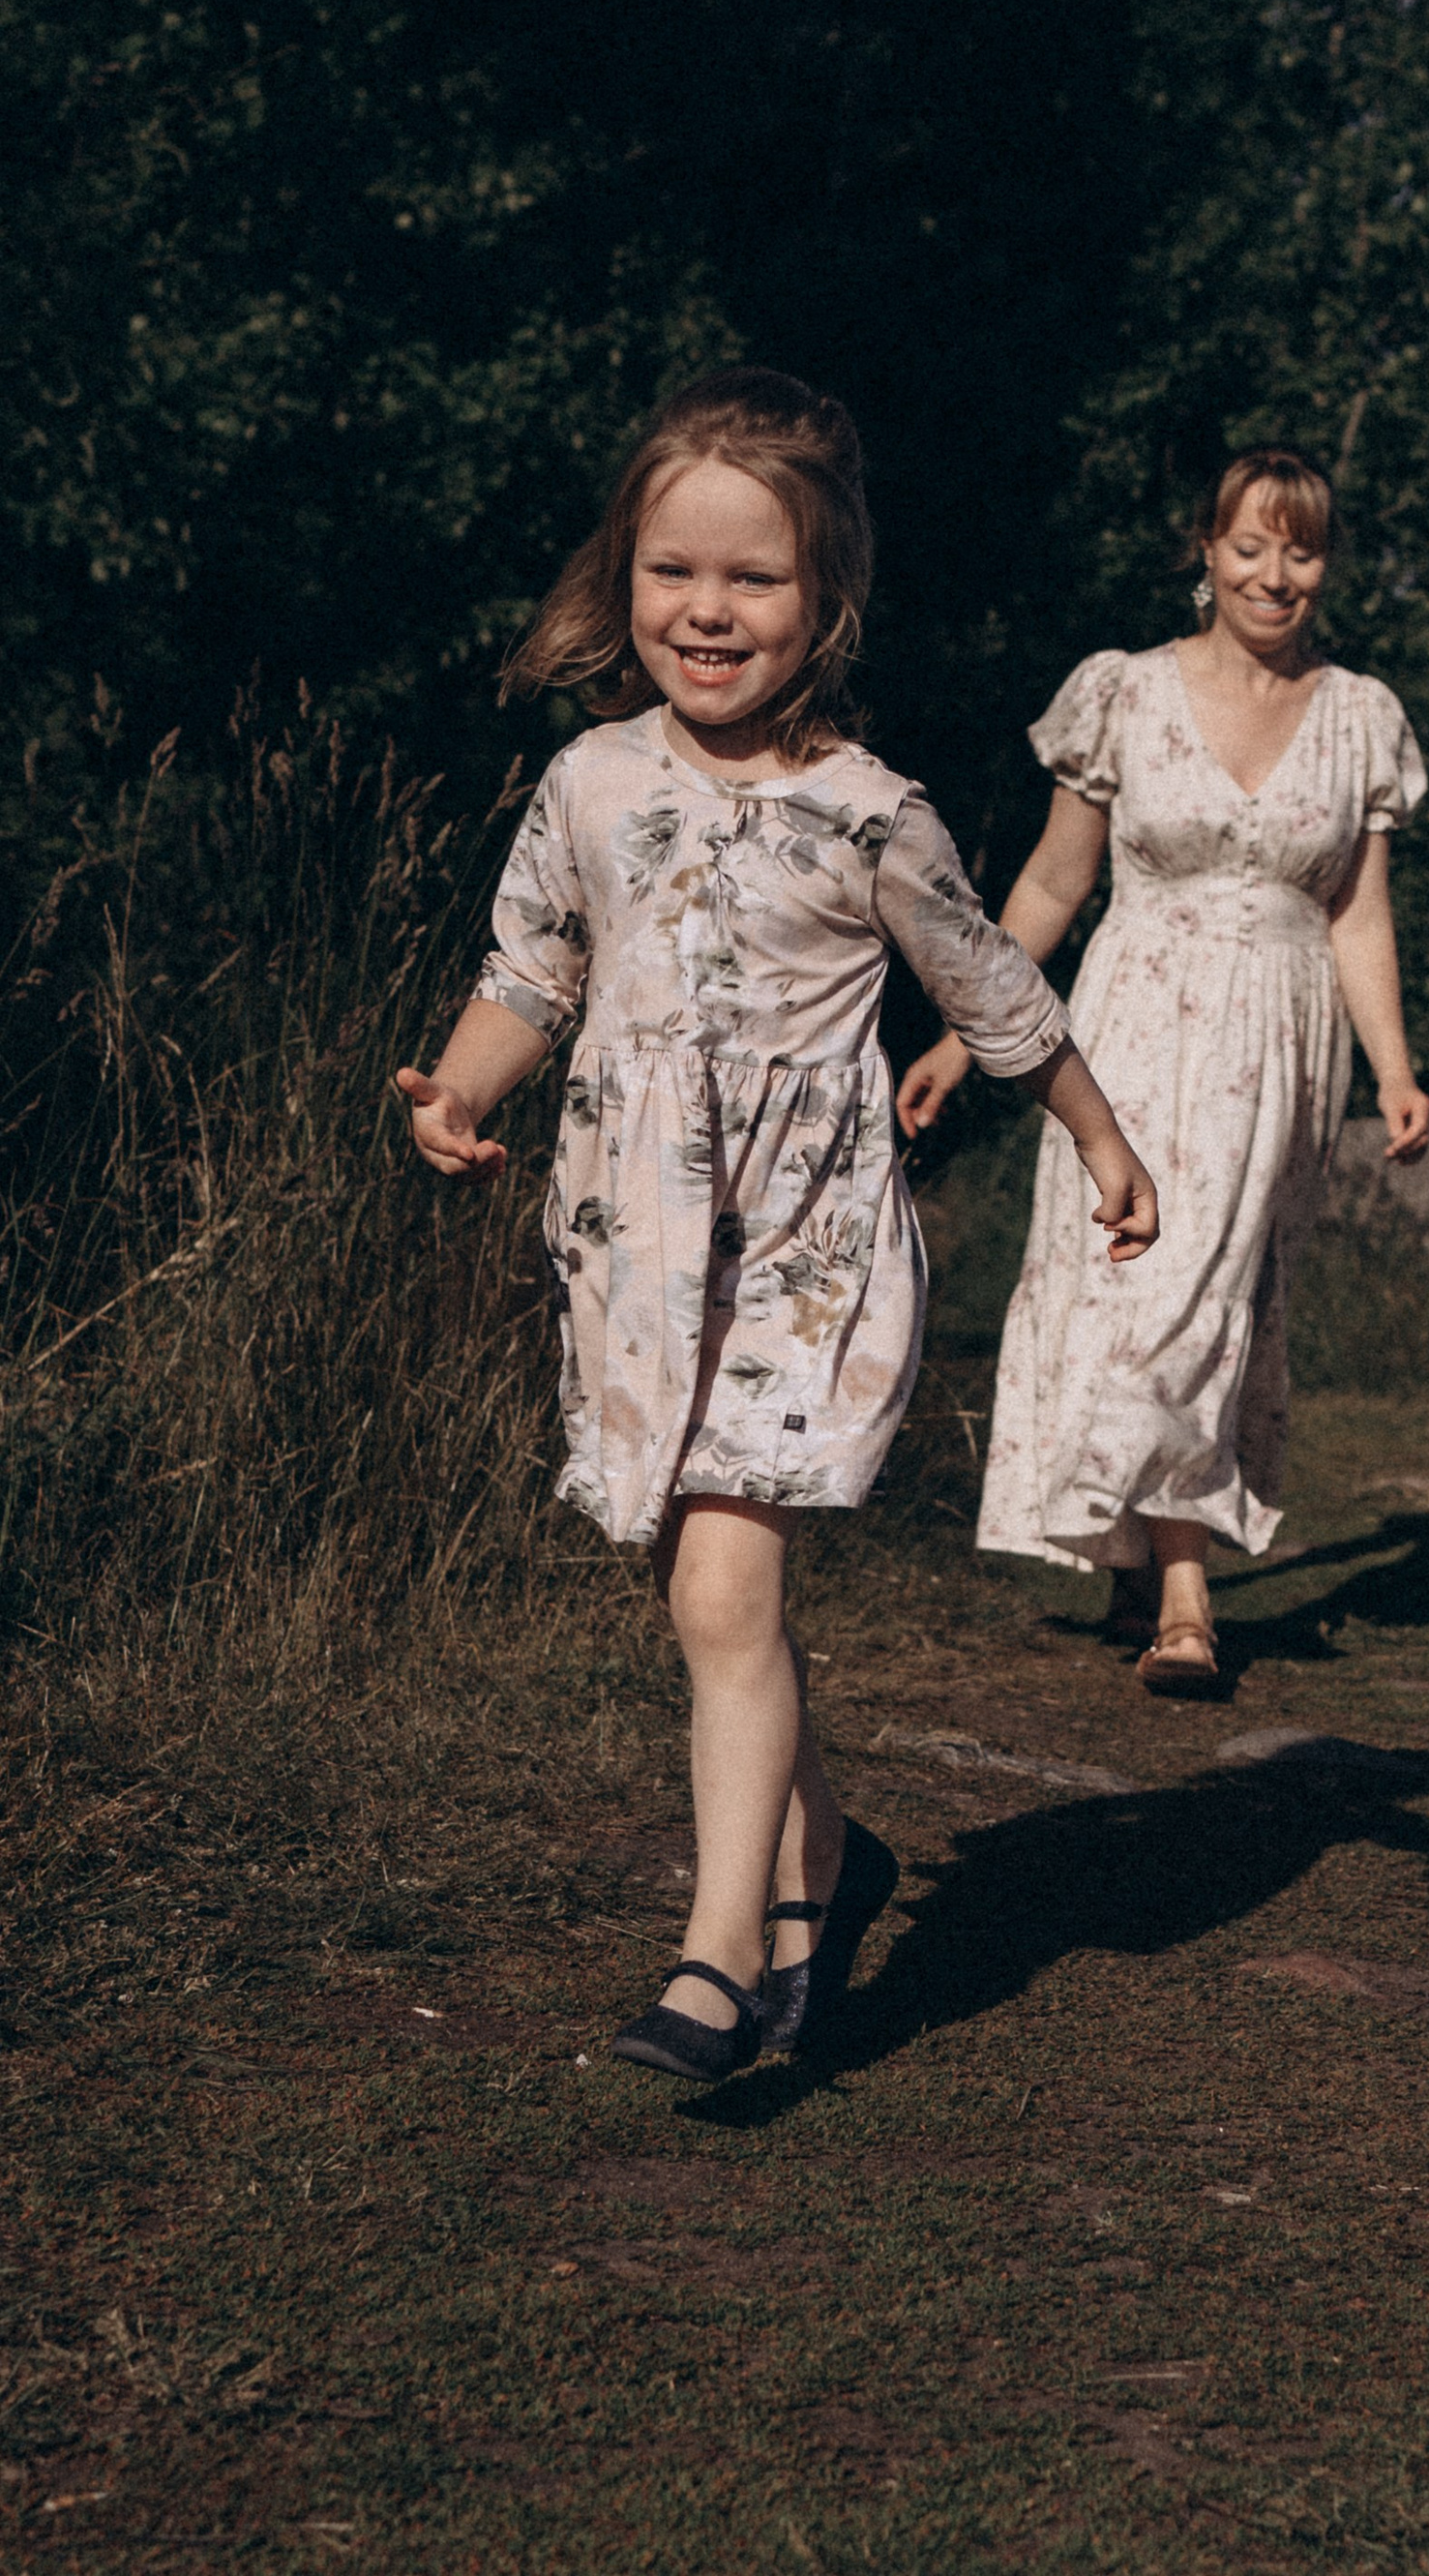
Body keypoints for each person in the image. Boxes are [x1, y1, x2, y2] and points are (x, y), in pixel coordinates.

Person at [397, 369, 1157, 2083]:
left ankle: (721, 1951)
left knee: (727, 1583)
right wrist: (461, 1090)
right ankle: (832, 1859)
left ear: (826, 597)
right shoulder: (591, 781)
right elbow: (534, 966)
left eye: (754, 577)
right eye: (674, 570)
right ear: (626, 574)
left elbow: (994, 986)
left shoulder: (874, 813)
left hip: (803, 1257)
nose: (708, 610)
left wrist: (1101, 1138)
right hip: (638, 1250)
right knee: (708, 1602)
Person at [898, 447, 1429, 1695]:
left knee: (1204, 1291)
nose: (1274, 574)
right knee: (1130, 1284)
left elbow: (1358, 915)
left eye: (1301, 550)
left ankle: (1171, 1577)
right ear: (1205, 550)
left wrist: (1396, 1070)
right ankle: (1172, 1590)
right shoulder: (1124, 693)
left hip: (1278, 1042)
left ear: (1326, 566)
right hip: (1128, 1026)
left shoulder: (1360, 715)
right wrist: (961, 1037)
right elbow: (1052, 882)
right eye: (1250, 545)